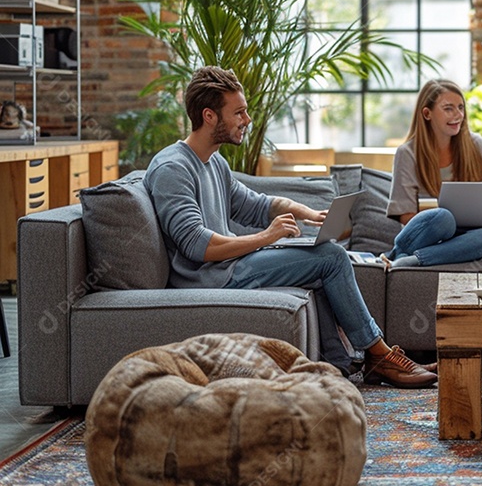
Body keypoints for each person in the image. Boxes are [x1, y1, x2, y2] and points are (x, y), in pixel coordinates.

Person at [143, 66, 437, 389]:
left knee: (321, 262)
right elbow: (198, 246)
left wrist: (304, 212)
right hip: (210, 277)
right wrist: (267, 237)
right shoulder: (173, 168)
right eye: (238, 112)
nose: (247, 119)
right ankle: (378, 355)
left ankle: (338, 366)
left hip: (229, 267)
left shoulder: (214, 162)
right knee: (332, 258)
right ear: (209, 116)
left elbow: (255, 204)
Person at [382, 79, 482, 268]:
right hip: (427, 233)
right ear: (427, 113)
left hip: (463, 236)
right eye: (448, 108)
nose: (458, 115)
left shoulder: (476, 146)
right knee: (444, 218)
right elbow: (405, 215)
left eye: (460, 107)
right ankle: (399, 253)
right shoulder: (408, 153)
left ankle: (412, 260)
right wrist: (441, 221)